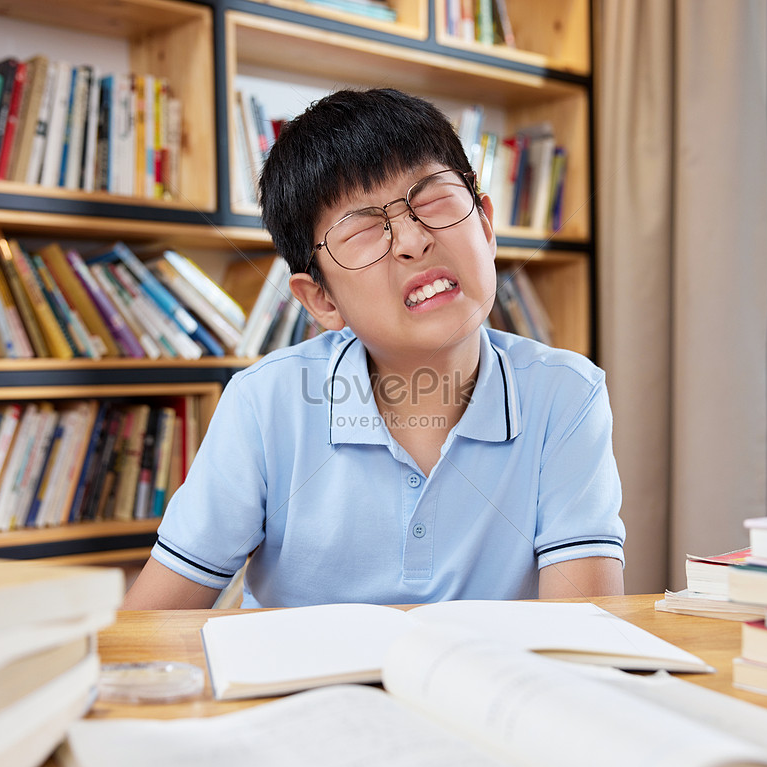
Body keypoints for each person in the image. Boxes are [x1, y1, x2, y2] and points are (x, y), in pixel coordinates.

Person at [123, 88, 624, 609]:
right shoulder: (265, 403)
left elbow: (586, 629)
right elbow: (147, 631)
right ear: (320, 299)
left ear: (486, 223)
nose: (412, 240)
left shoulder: (566, 393)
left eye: (432, 200)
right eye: (362, 229)